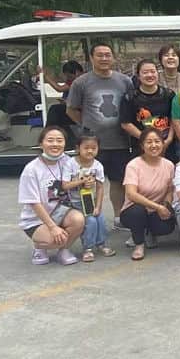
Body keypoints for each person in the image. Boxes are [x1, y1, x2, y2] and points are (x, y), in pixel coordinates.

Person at [66, 42, 134, 228]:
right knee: (88, 181)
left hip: (119, 141)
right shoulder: (81, 82)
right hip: (91, 144)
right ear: (91, 58)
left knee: (118, 181)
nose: (104, 58)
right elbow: (71, 109)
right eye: (100, 55)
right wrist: (87, 126)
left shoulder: (125, 81)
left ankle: (119, 217)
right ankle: (89, 218)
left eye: (107, 55)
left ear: (113, 57)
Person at [18, 126, 86, 266]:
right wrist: (53, 227)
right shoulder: (31, 169)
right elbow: (34, 203)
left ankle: (64, 250)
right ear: (41, 143)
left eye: (59, 140)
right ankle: (39, 247)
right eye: (50, 140)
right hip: (37, 219)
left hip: (62, 212)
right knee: (52, 239)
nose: (55, 144)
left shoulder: (68, 162)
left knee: (79, 220)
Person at [121, 128, 176, 261]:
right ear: (142, 145)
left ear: (163, 143)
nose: (153, 145)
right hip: (133, 209)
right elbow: (131, 194)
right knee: (138, 212)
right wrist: (157, 207)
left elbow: (170, 190)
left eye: (157, 141)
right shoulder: (134, 165)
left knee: (167, 226)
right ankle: (139, 244)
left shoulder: (169, 165)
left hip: (156, 210)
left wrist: (166, 205)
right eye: (149, 142)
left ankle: (147, 232)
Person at [69, 133, 115, 262]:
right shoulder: (70, 163)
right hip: (75, 201)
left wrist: (98, 206)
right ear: (78, 148)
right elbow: (65, 185)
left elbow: (100, 187)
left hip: (91, 200)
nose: (90, 151)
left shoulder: (98, 165)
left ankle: (101, 244)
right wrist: (81, 182)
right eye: (86, 148)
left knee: (101, 220)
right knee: (90, 222)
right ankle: (88, 248)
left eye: (94, 148)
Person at [119, 59, 175, 159]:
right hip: (141, 147)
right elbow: (125, 123)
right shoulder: (130, 97)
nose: (149, 75)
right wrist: (147, 140)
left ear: (158, 73)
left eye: (153, 71)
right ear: (138, 76)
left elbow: (175, 119)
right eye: (145, 72)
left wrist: (168, 140)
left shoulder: (169, 95)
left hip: (166, 146)